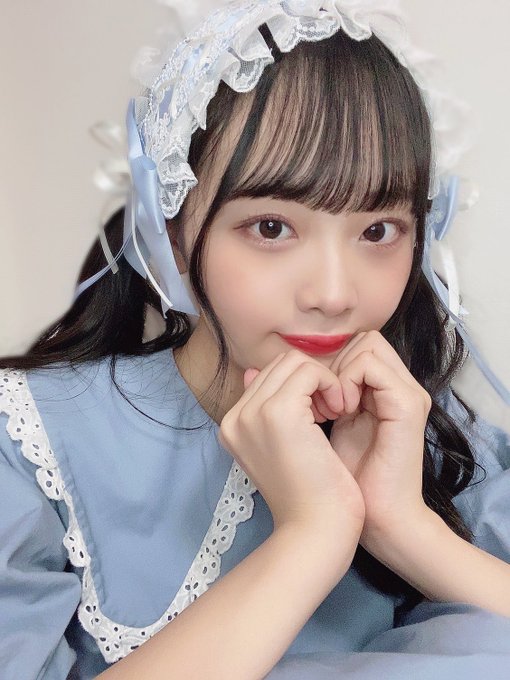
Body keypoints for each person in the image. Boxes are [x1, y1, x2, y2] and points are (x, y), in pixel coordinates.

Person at [0, 1, 509, 678]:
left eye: (378, 230)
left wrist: (402, 525)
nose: (335, 293)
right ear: (170, 233)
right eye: (272, 228)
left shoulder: (433, 438)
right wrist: (311, 536)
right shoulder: (28, 446)